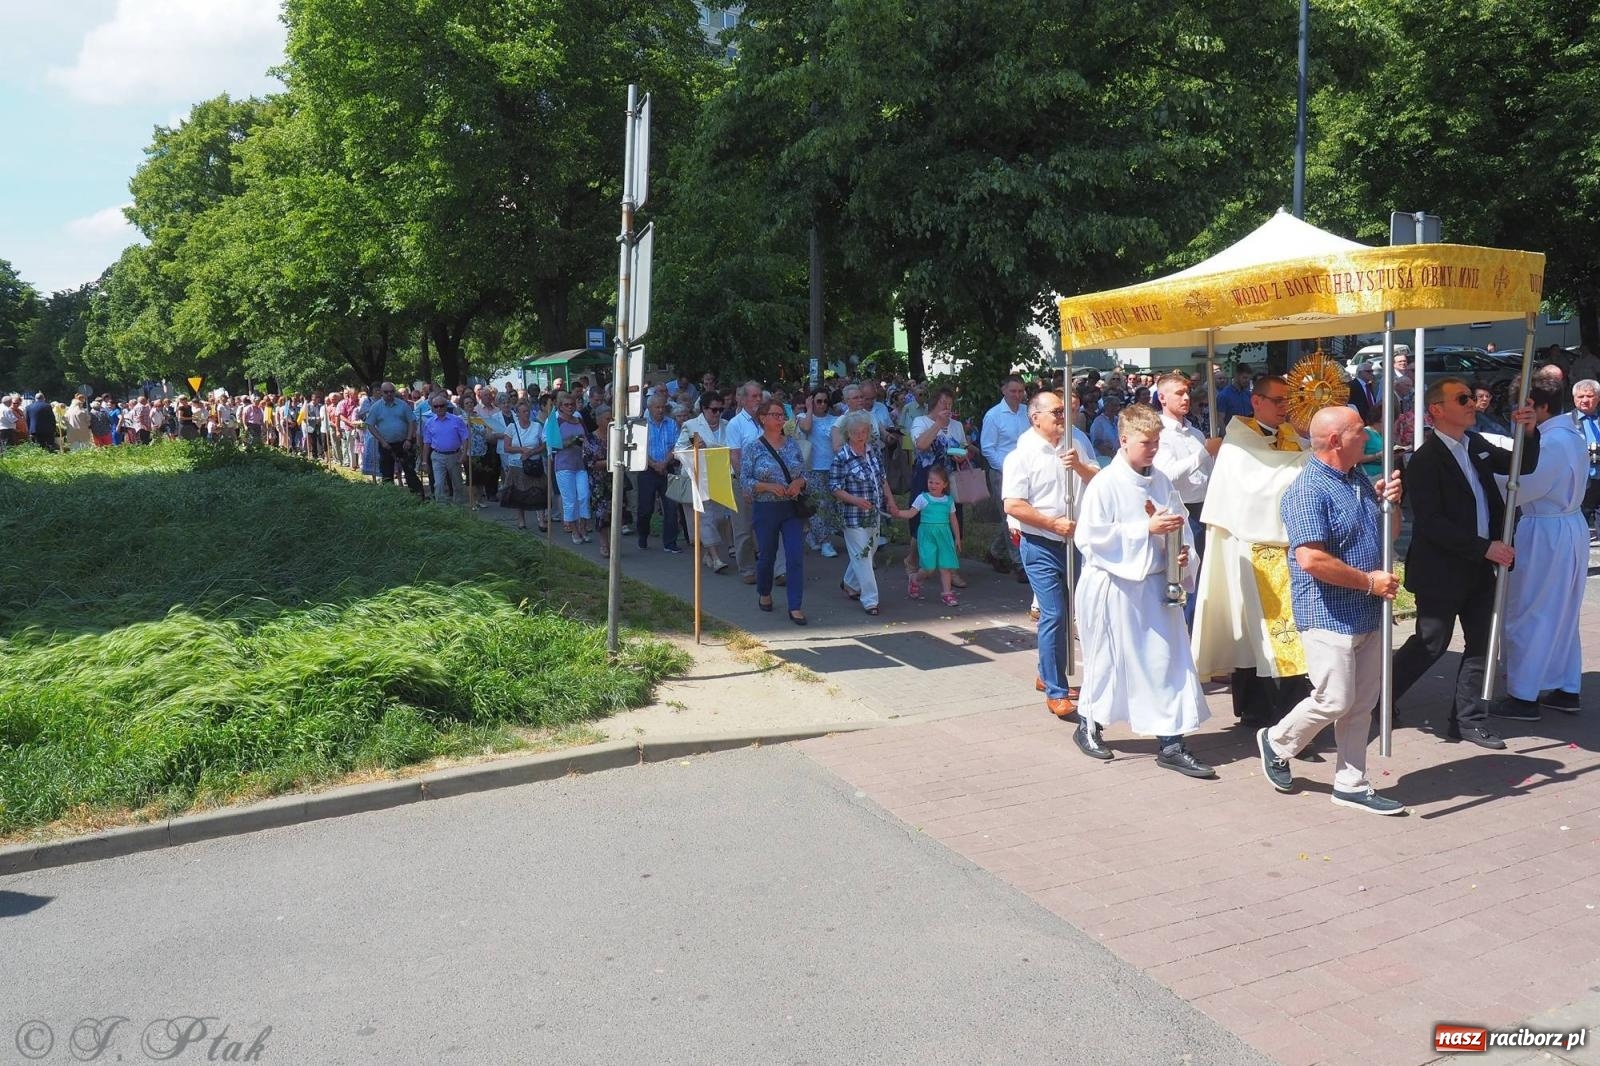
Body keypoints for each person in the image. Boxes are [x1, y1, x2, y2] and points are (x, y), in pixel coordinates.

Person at [1258, 406, 1405, 815]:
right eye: (1361, 431)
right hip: (1327, 613)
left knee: (1361, 703)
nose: (1370, 437)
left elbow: (1385, 536)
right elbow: (1310, 560)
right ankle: (1276, 741)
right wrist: (1369, 581)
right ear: (1337, 440)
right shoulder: (1307, 490)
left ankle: (1351, 782)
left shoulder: (1356, 478)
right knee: (1335, 699)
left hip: (1366, 610)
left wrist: (1392, 506)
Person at [1390, 377, 1540, 750]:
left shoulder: (1475, 444)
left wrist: (1530, 431)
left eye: (1472, 397)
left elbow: (1522, 464)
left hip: (1478, 565)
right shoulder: (1425, 460)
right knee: (1431, 642)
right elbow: (1431, 522)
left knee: (1482, 641)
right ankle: (1379, 695)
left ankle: (1467, 720)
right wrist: (1483, 547)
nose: (1471, 403)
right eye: (1462, 399)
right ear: (1437, 410)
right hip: (1442, 568)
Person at [1072, 403, 1213, 777]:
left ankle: (1171, 742)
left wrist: (1182, 551)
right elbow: (1089, 539)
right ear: (1123, 440)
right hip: (1114, 586)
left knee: (1166, 663)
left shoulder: (1161, 480)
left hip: (1154, 585)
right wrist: (1143, 531)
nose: (1152, 449)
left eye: (1156, 442)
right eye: (1145, 442)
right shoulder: (1105, 483)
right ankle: (1088, 724)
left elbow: (1177, 521)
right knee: (1109, 662)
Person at [1191, 374, 1311, 728]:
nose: (1285, 408)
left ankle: (1285, 714)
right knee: (1253, 632)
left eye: (1288, 401)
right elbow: (1261, 486)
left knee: (1278, 635)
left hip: (1282, 544)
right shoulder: (1237, 443)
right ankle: (1257, 711)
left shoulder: (1291, 437)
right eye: (1278, 401)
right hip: (1249, 549)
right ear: (1256, 401)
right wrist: (1308, 461)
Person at [1002, 391, 1098, 719]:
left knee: (1074, 611)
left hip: (1075, 542)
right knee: (1054, 613)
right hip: (1041, 542)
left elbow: (1098, 480)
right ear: (1036, 418)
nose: (1063, 416)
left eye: (1066, 411)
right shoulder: (1021, 455)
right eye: (1057, 412)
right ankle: (1057, 690)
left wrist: (1081, 467)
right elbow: (1013, 504)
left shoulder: (1076, 442)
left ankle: (1046, 673)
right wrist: (1051, 524)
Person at [1498, 386, 1587, 718]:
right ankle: (1566, 687)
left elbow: (1523, 486)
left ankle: (1523, 695)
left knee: (1531, 609)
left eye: (1526, 406)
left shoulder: (1551, 442)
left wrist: (1486, 474)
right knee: (1563, 610)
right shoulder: (1571, 434)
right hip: (1568, 525)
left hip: (1546, 528)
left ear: (1543, 407)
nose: (1518, 412)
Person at [1152, 371, 1223, 629]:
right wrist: (1204, 453)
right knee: (1184, 575)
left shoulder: (1194, 433)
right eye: (1179, 393)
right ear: (1162, 398)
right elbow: (1169, 474)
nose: (1185, 398)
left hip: (1204, 508)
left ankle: (1197, 633)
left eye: (1187, 393)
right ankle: (1182, 631)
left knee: (1204, 576)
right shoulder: (1161, 434)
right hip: (1180, 510)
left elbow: (1207, 473)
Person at [740, 399, 808, 625]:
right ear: (763, 418)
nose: (781, 420)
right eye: (775, 415)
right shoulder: (753, 447)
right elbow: (745, 480)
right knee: (767, 556)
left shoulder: (792, 444)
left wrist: (799, 483)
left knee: (795, 556)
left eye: (782, 415)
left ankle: (795, 605)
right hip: (766, 508)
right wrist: (768, 487)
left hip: (792, 507)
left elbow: (804, 474)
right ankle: (764, 591)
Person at [829, 409, 897, 616]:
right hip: (853, 515)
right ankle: (870, 600)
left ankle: (849, 582)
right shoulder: (842, 457)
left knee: (868, 551)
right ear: (848, 433)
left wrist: (891, 501)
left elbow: (882, 479)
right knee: (863, 558)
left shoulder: (872, 452)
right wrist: (856, 500)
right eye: (856, 431)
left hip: (874, 513)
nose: (860, 434)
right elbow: (834, 487)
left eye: (864, 431)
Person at [906, 388, 971, 588]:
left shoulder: (957, 425)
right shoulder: (921, 422)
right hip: (926, 479)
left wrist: (963, 454)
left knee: (952, 521)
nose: (947, 408)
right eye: (943, 403)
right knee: (923, 522)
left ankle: (951, 569)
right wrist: (938, 424)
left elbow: (964, 447)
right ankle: (913, 558)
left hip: (949, 481)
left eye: (950, 403)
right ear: (934, 403)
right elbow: (922, 445)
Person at [980, 375, 1031, 578]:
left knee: (1018, 516)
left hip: (1026, 472)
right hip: (1002, 473)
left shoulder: (1027, 413)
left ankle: (995, 551)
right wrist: (1008, 468)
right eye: (1013, 391)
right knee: (1010, 516)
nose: (1017, 395)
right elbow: (987, 448)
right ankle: (1019, 563)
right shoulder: (994, 415)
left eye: (1020, 391)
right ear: (1004, 390)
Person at [677, 389, 733, 572]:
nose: (717, 413)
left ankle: (709, 553)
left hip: (721, 477)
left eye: (720, 409)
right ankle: (716, 558)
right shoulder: (692, 426)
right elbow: (678, 451)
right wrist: (694, 447)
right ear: (703, 409)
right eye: (713, 410)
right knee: (706, 518)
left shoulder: (727, 425)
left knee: (719, 518)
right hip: (699, 477)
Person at [904, 464, 963, 606]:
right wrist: (897, 513)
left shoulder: (948, 500)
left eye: (937, 483)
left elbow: (953, 519)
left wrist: (957, 537)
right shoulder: (922, 498)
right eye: (931, 482)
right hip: (927, 535)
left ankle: (947, 593)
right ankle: (915, 579)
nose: (933, 485)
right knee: (928, 567)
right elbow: (911, 513)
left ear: (944, 484)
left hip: (945, 536)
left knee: (946, 565)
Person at [725, 381, 766, 584]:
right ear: (741, 399)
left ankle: (774, 568)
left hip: (768, 481)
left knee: (768, 526)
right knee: (744, 528)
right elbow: (735, 456)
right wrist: (746, 482)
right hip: (744, 481)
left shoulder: (766, 420)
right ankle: (747, 569)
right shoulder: (736, 424)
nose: (758, 399)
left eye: (759, 396)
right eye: (753, 396)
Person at [634, 392, 682, 554]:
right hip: (647, 470)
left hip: (667, 468)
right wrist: (654, 465)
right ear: (650, 408)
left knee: (671, 507)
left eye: (663, 407)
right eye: (657, 407)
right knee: (646, 508)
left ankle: (670, 542)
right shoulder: (641, 425)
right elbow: (638, 448)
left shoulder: (672, 424)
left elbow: (675, 446)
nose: (660, 410)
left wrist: (664, 463)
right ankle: (643, 535)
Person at [797, 387, 841, 557]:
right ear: (811, 401)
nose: (822, 405)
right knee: (819, 505)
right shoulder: (803, 417)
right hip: (812, 468)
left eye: (825, 401)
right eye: (818, 401)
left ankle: (814, 534)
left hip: (832, 466)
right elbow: (806, 428)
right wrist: (808, 409)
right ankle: (825, 541)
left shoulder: (834, 419)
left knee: (831, 505)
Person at [545, 392, 593, 543]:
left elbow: (587, 438)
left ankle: (584, 526)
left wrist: (584, 442)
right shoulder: (555, 421)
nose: (570, 407)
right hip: (564, 464)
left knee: (584, 496)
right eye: (566, 405)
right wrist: (570, 441)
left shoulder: (578, 420)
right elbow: (552, 444)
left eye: (572, 404)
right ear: (559, 406)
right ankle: (574, 530)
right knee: (570, 499)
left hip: (580, 463)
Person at [500, 397, 546, 531]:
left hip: (534, 464)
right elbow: (506, 447)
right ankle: (521, 521)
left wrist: (531, 452)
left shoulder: (537, 426)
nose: (526, 414)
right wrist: (521, 450)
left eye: (528, 411)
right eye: (523, 411)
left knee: (538, 492)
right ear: (518, 413)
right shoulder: (512, 427)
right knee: (518, 493)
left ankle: (541, 520)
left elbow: (544, 444)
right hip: (517, 465)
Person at [421, 392, 469, 506]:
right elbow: (426, 443)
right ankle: (441, 507)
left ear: (446, 406)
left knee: (457, 483)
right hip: (437, 456)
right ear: (432, 408)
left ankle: (459, 505)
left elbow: (465, 438)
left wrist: (464, 454)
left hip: (454, 455)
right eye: (436, 406)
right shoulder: (429, 422)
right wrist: (424, 461)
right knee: (438, 483)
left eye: (441, 405)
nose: (439, 408)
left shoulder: (456, 420)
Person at [1574, 379, 1600, 533]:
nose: (1585, 400)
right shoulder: (1567, 421)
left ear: (1597, 398)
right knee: (1580, 517)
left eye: (1589, 396)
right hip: (1581, 478)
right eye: (1581, 396)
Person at [1215, 363, 1254, 428]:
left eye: (1249, 378)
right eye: (1244, 377)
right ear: (1236, 376)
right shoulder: (1224, 395)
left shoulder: (1248, 394)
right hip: (1232, 434)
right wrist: (1225, 436)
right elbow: (1220, 420)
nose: (1247, 380)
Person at [1088, 393, 1121, 458]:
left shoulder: (1117, 420)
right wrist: (1112, 455)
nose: (1114, 408)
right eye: (1111, 405)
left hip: (1117, 456)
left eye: (1116, 406)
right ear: (1105, 406)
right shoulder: (1099, 421)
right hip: (1103, 458)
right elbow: (1097, 443)